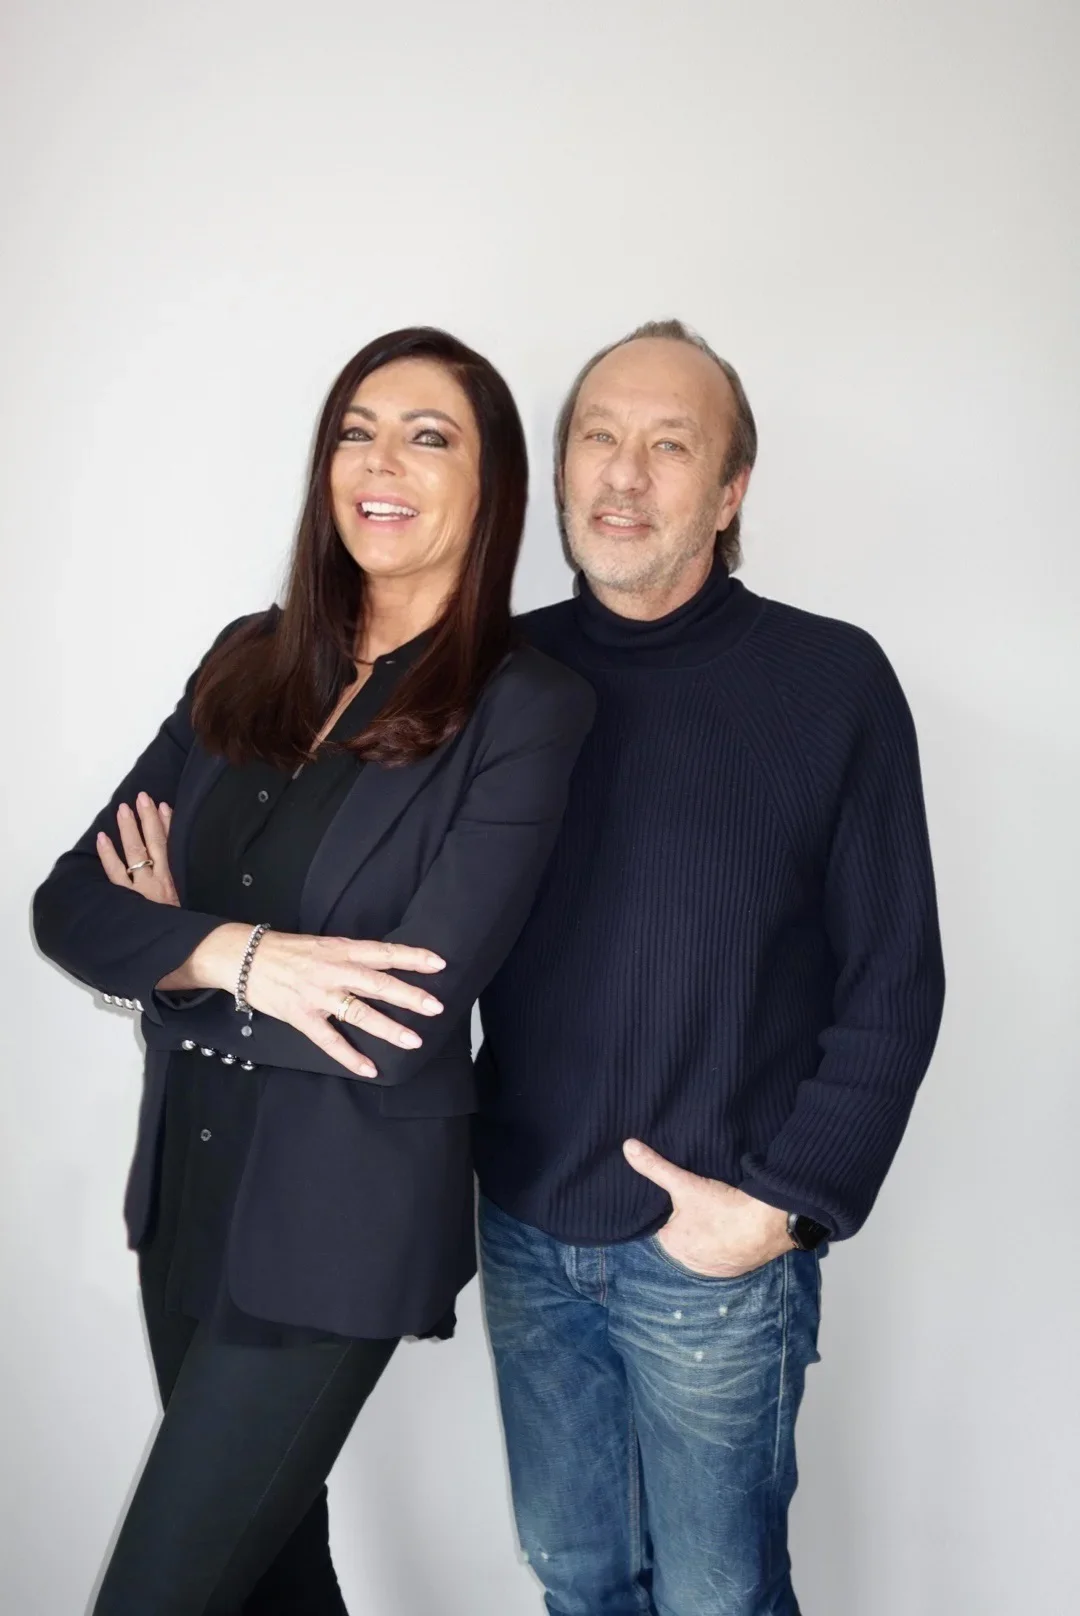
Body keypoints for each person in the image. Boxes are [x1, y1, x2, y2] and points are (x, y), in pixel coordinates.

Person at [32, 325, 595, 1616]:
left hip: (340, 1218)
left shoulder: (526, 705)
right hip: (192, 1189)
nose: (379, 460)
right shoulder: (252, 655)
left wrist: (174, 954)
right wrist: (241, 956)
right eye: (357, 428)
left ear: (490, 483)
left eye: (427, 434)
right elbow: (69, 905)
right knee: (274, 1578)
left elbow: (407, 1006)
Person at [473, 319, 946, 1616]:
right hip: (522, 1229)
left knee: (719, 1598)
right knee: (576, 1578)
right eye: (599, 439)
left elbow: (896, 977)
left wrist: (782, 1204)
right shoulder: (490, 675)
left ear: (731, 494)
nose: (624, 477)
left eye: (669, 446)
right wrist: (202, 912)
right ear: (561, 468)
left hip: (715, 1255)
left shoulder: (830, 681)